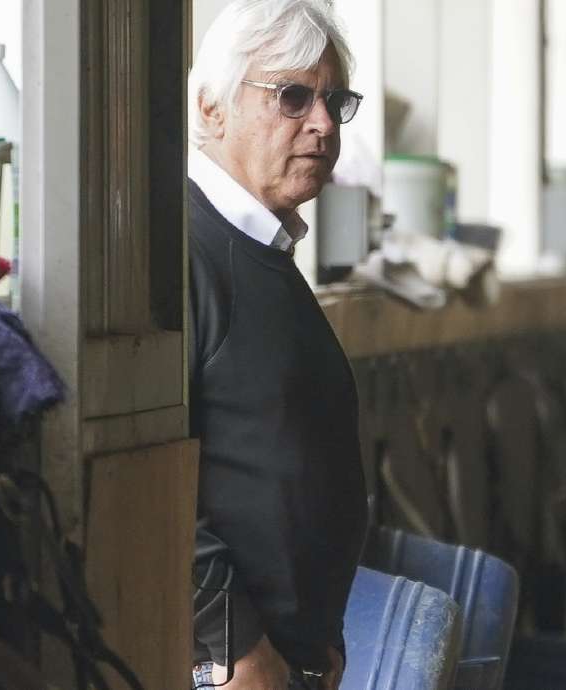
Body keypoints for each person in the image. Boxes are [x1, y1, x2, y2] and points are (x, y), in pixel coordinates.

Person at [187, 1, 368, 688]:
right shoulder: (187, 253)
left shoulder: (265, 249)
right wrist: (231, 645)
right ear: (212, 110)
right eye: (292, 96)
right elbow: (159, 478)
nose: (322, 124)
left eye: (333, 100)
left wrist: (320, 639)